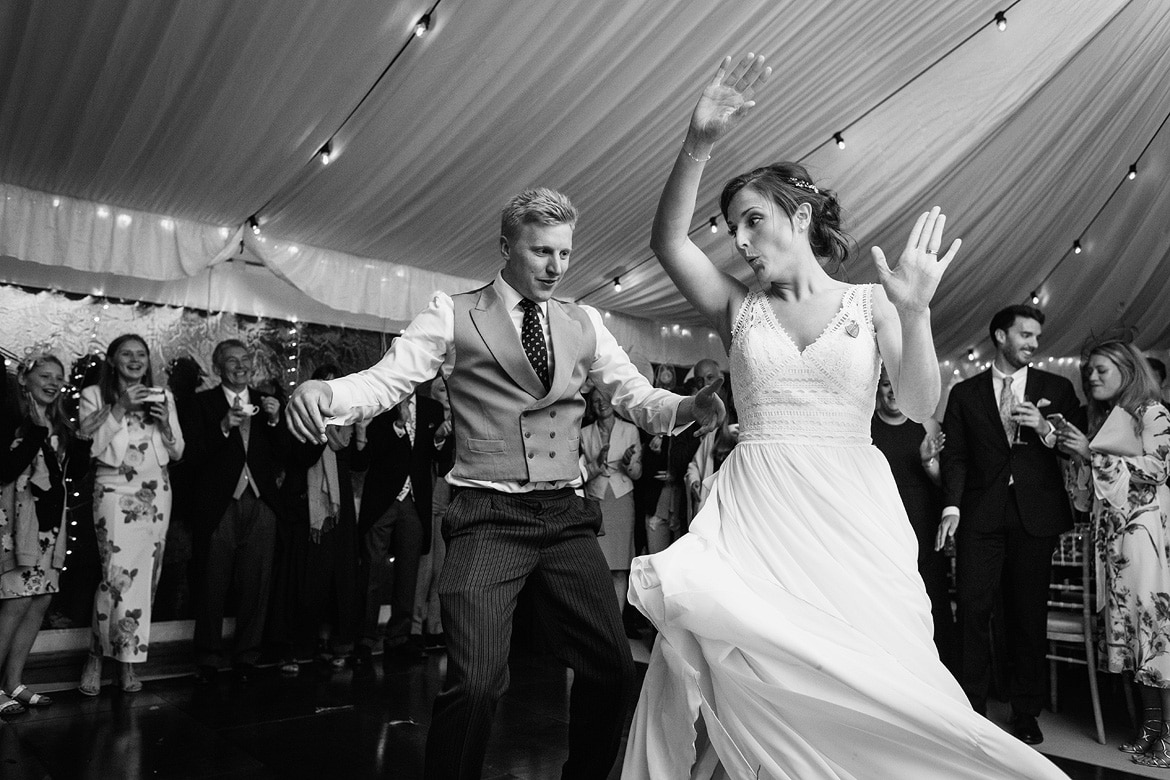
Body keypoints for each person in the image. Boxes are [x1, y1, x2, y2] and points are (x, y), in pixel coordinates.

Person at [622, 53, 1068, 779]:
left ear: (799, 216)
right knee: (739, 668)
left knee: (863, 672)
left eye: (753, 220)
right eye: (731, 227)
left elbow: (923, 407)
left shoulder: (873, 302)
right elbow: (667, 243)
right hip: (756, 509)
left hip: (849, 511)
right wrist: (697, 142)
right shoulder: (738, 307)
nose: (739, 239)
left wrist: (917, 312)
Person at [285, 187, 724, 780]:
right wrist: (326, 393)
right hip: (488, 517)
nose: (556, 267)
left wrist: (687, 406)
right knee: (478, 682)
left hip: (566, 517)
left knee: (612, 670)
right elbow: (387, 381)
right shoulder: (453, 312)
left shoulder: (584, 321)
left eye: (565, 254)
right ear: (505, 247)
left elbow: (635, 397)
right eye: (542, 252)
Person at [940, 304, 1080, 743]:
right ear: (1000, 337)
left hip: (1034, 517)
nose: (1033, 344)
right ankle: (971, 707)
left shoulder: (1055, 387)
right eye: (1025, 335)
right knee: (973, 612)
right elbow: (956, 456)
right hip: (980, 516)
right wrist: (951, 508)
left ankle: (1025, 713)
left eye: (1037, 337)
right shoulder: (965, 394)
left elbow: (1073, 448)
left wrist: (1045, 428)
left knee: (1026, 615)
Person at [1055, 340, 1170, 768]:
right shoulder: (1108, 421)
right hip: (1113, 544)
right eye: (1090, 372)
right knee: (1134, 637)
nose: (1093, 378)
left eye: (1102, 369)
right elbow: (1087, 500)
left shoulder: (1154, 414)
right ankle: (1149, 728)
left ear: (1127, 369)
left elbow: (1156, 470)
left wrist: (1093, 453)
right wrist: (1078, 456)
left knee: (1155, 633)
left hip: (1147, 540)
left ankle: (1169, 737)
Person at [78, 334, 185, 695]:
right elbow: (89, 444)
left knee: (145, 580)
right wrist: (120, 406)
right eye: (127, 354)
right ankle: (95, 655)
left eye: (141, 354)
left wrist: (166, 422)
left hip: (156, 494)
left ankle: (128, 662)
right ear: (112, 359)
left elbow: (178, 450)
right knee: (114, 577)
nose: (135, 360)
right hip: (113, 490)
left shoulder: (163, 395)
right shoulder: (95, 395)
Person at [188, 339, 288, 682]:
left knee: (256, 583)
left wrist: (276, 422)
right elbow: (192, 456)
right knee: (212, 582)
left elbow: (286, 456)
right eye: (231, 360)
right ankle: (209, 657)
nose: (240, 365)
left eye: (245, 359)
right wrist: (223, 427)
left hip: (261, 504)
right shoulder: (203, 403)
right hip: (219, 505)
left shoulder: (266, 403)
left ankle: (247, 655)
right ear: (219, 367)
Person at [0, 355, 89, 715]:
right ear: (25, 379)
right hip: (18, 524)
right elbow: (5, 469)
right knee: (16, 602)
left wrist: (81, 441)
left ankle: (14, 682)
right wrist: (35, 433)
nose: (52, 382)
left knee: (39, 602)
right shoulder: (10, 415)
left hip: (51, 526)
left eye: (58, 377)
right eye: (44, 376)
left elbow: (74, 476)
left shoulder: (60, 422)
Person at [270, 364, 359, 675]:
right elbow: (299, 458)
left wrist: (359, 431)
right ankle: (290, 649)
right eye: (326, 385)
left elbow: (360, 462)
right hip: (303, 510)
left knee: (337, 581)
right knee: (298, 582)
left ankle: (332, 644)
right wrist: (322, 426)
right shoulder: (299, 417)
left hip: (337, 513)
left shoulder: (348, 421)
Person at [350, 386, 447, 665]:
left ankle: (399, 638)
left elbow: (440, 462)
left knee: (408, 573)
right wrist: (397, 425)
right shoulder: (377, 404)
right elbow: (362, 461)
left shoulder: (433, 409)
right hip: (382, 501)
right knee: (372, 571)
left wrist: (440, 440)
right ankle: (365, 639)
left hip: (415, 502)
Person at [870, 366, 955, 670]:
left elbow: (946, 484)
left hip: (921, 520)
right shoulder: (863, 426)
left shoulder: (928, 426)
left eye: (898, 385)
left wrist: (929, 462)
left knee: (931, 597)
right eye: (885, 384)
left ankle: (939, 670)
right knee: (886, 599)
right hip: (879, 524)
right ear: (876, 388)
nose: (892, 392)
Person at [581, 387, 643, 608]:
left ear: (613, 401)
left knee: (619, 566)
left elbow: (637, 473)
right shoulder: (584, 433)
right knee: (597, 567)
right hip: (596, 498)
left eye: (604, 399)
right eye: (595, 400)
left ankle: (616, 622)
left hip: (622, 499)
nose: (600, 403)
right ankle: (599, 622)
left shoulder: (630, 430)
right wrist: (595, 465)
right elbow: (580, 472)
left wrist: (627, 463)